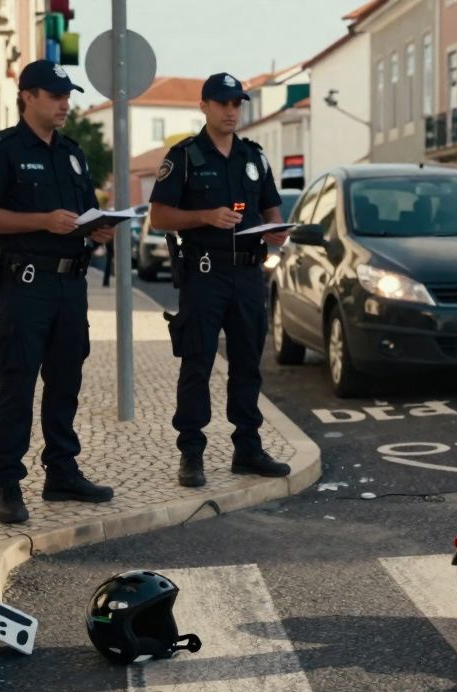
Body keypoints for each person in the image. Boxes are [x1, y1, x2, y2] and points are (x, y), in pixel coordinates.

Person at [0, 60, 117, 524]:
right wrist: (42, 221)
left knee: (66, 378)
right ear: (27, 96)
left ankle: (62, 471)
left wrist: (99, 230)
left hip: (71, 284)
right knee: (18, 381)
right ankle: (7, 482)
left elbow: (83, 214)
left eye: (67, 96)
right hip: (25, 284)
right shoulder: (3, 150)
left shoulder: (72, 154)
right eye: (55, 96)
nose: (64, 104)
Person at [148, 72, 291, 488]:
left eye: (236, 104)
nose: (231, 111)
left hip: (248, 273)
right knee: (197, 363)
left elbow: (271, 210)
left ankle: (248, 449)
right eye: (222, 103)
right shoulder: (185, 157)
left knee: (247, 364)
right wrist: (205, 217)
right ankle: (191, 453)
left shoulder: (254, 157)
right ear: (204, 107)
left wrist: (276, 230)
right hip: (205, 274)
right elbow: (158, 216)